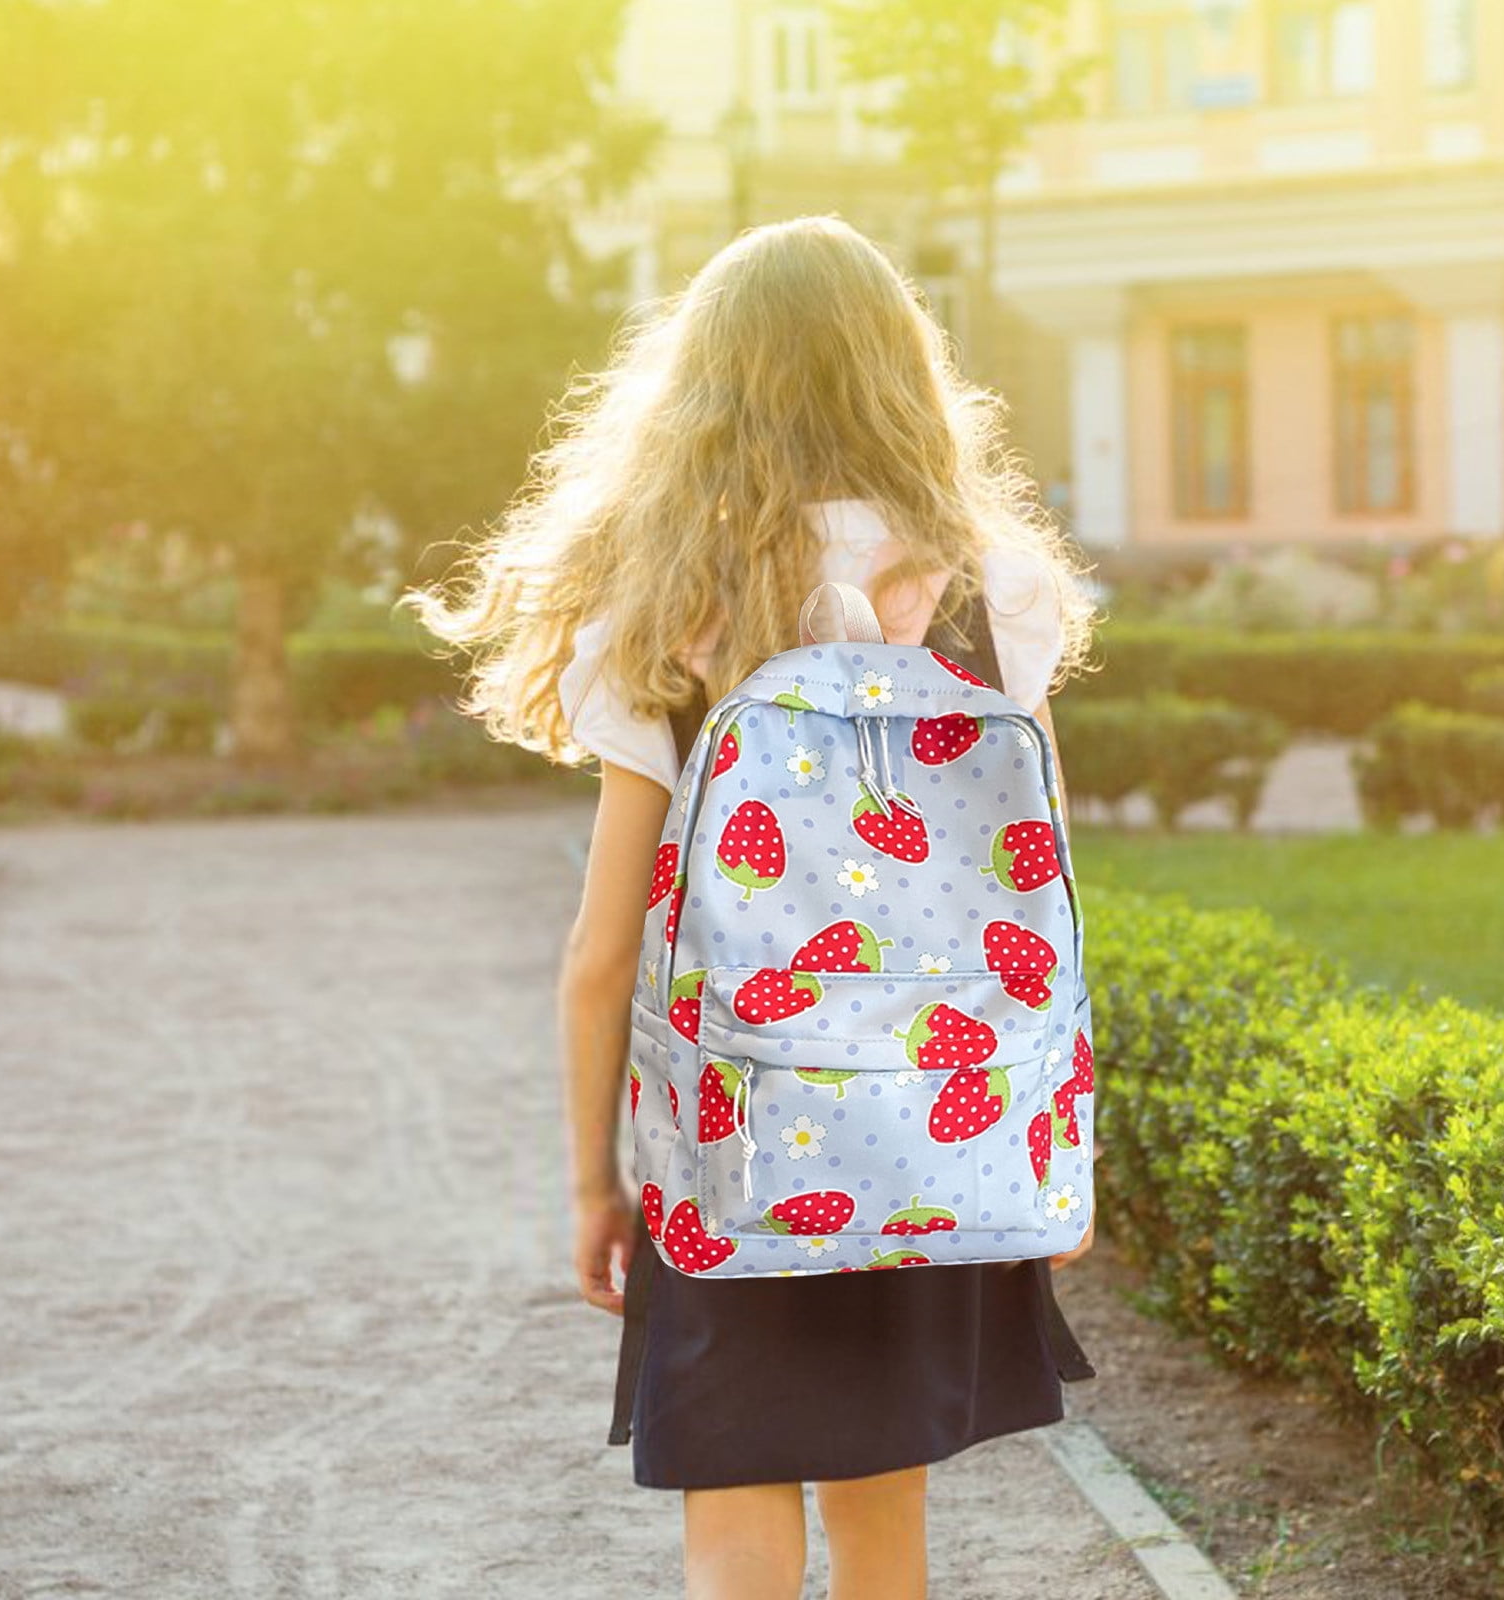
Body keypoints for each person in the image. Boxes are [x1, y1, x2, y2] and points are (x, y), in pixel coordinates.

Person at [406, 215, 1101, 1600]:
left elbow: (603, 955)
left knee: (733, 1504)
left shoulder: (673, 606)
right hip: (933, 1124)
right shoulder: (994, 590)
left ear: (704, 393)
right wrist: (1068, 1148)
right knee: (885, 1504)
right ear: (904, 376)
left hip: (735, 1135)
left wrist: (596, 1185)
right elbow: (1048, 920)